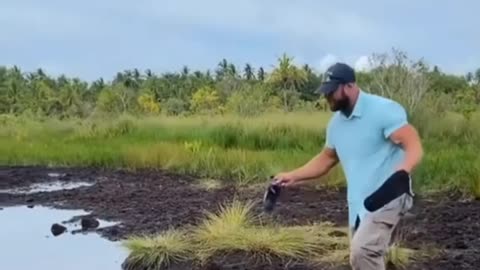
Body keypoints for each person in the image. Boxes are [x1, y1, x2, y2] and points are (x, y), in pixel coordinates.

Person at [272, 62, 423, 270]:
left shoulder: (383, 110)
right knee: (365, 256)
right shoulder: (336, 125)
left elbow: (413, 144)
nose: (327, 97)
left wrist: (403, 171)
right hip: (360, 204)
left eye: (331, 92)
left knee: (363, 252)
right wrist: (293, 175)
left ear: (349, 86)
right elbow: (326, 159)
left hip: (389, 195)